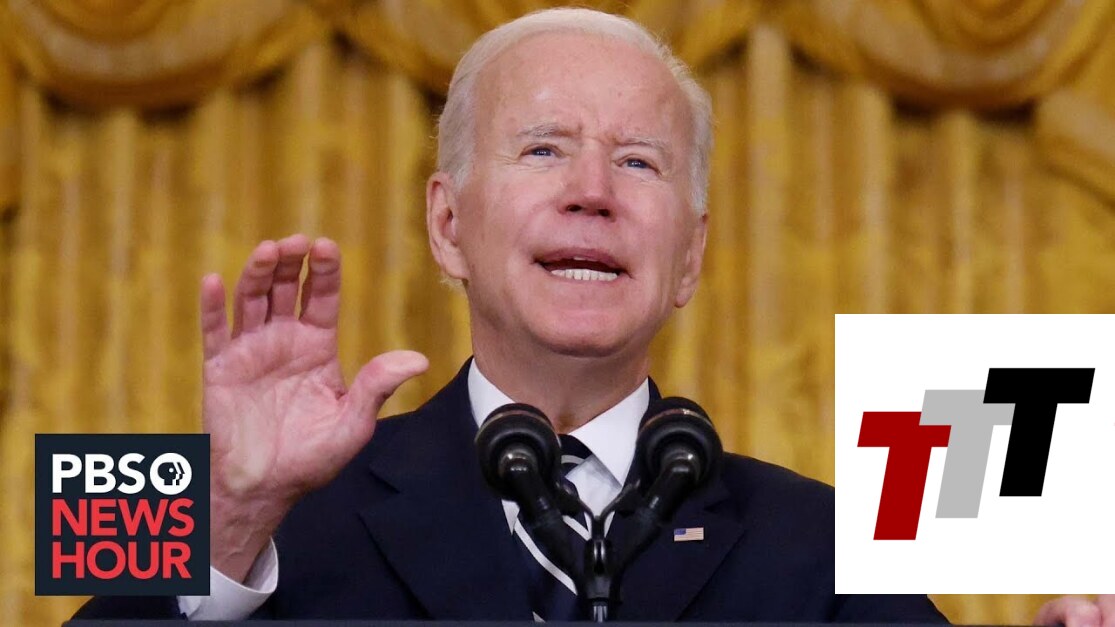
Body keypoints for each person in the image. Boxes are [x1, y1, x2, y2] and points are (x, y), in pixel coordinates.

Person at [75, 8, 1113, 624]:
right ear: (446, 223)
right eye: (542, 149)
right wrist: (228, 511)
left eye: (638, 162)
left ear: (689, 254)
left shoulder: (833, 542)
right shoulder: (218, 488)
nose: (591, 192)